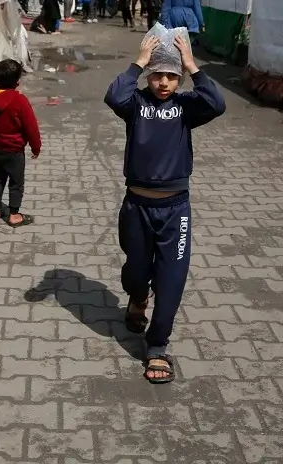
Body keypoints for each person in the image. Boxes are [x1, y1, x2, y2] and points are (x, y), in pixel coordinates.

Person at [104, 33, 226, 384]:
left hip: (176, 210)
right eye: (157, 74)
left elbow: (216, 104)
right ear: (148, 75)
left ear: (180, 79)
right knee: (136, 272)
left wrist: (192, 66)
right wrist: (138, 62)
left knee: (172, 279)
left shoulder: (187, 107)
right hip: (137, 206)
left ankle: (157, 347)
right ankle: (138, 297)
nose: (163, 82)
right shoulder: (136, 104)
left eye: (172, 76)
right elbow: (114, 95)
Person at [0, 59, 41, 227]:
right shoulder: (19, 100)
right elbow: (31, 126)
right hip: (15, 150)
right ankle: (14, 215)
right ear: (17, 81)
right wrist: (36, 147)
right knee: (16, 182)